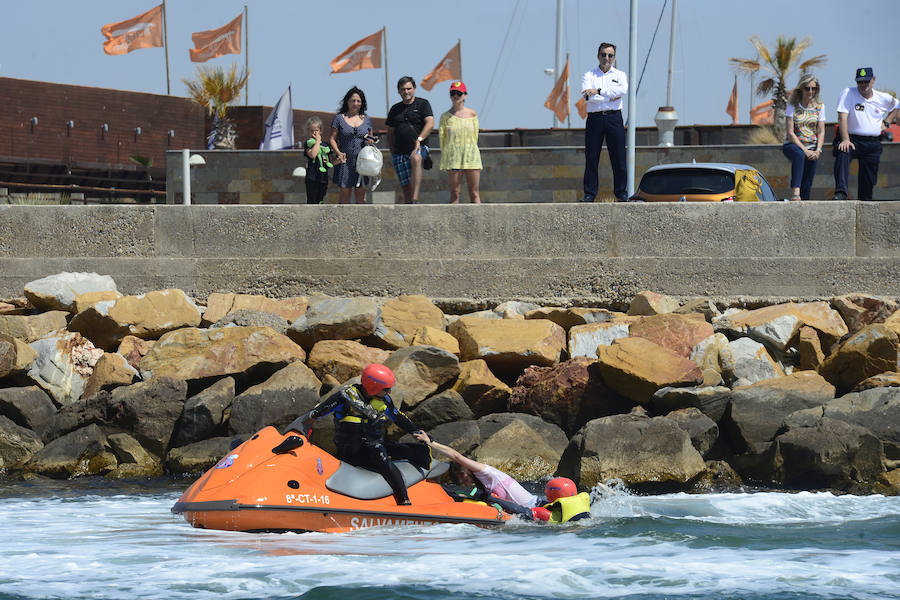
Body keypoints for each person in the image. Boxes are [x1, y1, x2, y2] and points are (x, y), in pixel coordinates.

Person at [298, 363, 430, 505]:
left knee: (391, 458)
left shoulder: (384, 401)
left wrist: (416, 432)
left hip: (374, 446)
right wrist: (302, 428)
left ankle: (404, 500)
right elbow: (317, 412)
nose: (389, 392)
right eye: (386, 389)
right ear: (374, 387)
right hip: (349, 449)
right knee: (365, 457)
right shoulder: (344, 397)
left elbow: (398, 418)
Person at [414, 431, 590, 523]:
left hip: (537, 508)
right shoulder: (482, 480)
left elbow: (456, 456)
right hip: (537, 503)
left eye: (461, 474)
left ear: (467, 471)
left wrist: (431, 443)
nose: (461, 478)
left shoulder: (486, 472)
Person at [832, 67, 900, 201]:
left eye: (866, 81)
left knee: (868, 180)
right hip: (851, 139)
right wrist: (845, 139)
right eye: (860, 82)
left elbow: (896, 105)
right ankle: (841, 193)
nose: (863, 85)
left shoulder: (882, 97)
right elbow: (842, 118)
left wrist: (887, 122)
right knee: (843, 152)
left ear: (873, 80)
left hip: (872, 142)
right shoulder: (848, 93)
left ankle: (865, 199)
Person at [581, 42, 628, 203]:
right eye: (603, 55)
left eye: (610, 55)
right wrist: (610, 96)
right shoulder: (589, 75)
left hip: (614, 118)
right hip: (595, 118)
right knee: (592, 156)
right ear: (598, 56)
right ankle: (590, 193)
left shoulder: (620, 75)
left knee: (619, 156)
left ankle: (621, 192)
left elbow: (622, 91)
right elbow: (588, 97)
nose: (606, 58)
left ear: (614, 57)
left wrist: (599, 91)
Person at [386, 76, 434, 204]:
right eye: (403, 89)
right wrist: (392, 152)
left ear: (414, 89)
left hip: (419, 147)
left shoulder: (423, 104)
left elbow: (430, 123)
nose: (406, 92)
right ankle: (409, 205)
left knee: (416, 158)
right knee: (406, 189)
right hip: (400, 152)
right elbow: (390, 133)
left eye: (409, 89)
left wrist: (419, 139)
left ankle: (415, 199)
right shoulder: (395, 109)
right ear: (398, 91)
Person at [781, 74, 825, 201]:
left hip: (812, 145)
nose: (810, 91)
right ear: (801, 88)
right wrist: (805, 150)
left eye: (813, 88)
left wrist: (818, 150)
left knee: (809, 172)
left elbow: (821, 131)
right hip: (793, 144)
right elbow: (790, 133)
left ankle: (804, 199)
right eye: (807, 88)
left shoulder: (820, 107)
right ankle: (795, 193)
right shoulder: (792, 106)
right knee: (799, 155)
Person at [329, 86, 376, 204]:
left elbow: (371, 137)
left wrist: (371, 141)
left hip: (362, 162)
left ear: (362, 103)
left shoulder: (367, 119)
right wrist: (338, 153)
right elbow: (332, 139)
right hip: (345, 161)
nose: (355, 103)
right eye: (353, 100)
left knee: (361, 197)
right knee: (345, 195)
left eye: (358, 101)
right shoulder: (339, 118)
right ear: (347, 101)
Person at [438, 81, 482, 204]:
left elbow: (475, 136)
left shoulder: (472, 114)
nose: (456, 96)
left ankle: (479, 216)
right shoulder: (445, 117)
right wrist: (446, 158)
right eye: (453, 93)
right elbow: (443, 139)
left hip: (471, 155)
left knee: (474, 193)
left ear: (465, 95)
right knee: (455, 193)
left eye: (459, 93)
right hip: (454, 157)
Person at [303, 116, 331, 204]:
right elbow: (313, 154)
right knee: (312, 201)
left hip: (323, 177)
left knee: (321, 200)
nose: (314, 133)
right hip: (312, 177)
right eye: (312, 131)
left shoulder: (326, 145)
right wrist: (318, 141)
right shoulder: (309, 144)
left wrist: (338, 161)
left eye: (316, 130)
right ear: (308, 131)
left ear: (320, 131)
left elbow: (328, 162)